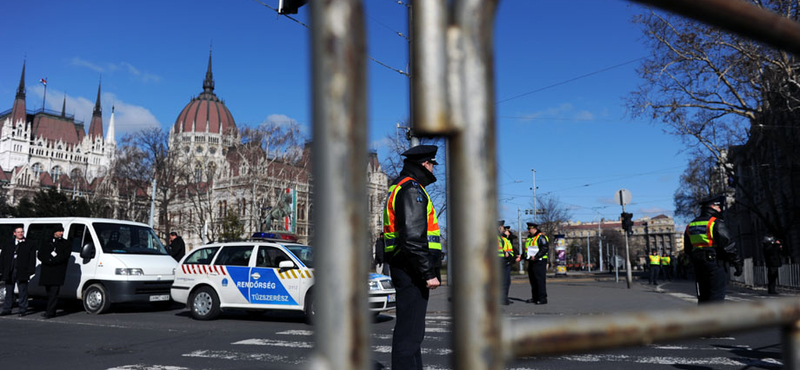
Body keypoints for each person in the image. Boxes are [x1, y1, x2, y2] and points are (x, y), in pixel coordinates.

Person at [383, 144, 441, 370]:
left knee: (413, 332)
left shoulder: (400, 187)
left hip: (405, 266)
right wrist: (428, 273)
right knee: (410, 333)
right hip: (411, 269)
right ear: (424, 164)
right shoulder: (411, 190)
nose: (434, 170)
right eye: (432, 165)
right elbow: (413, 237)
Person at [684, 195, 742, 304]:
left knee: (703, 298)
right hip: (716, 264)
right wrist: (737, 263)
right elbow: (728, 246)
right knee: (716, 297)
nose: (720, 209)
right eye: (718, 207)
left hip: (699, 265)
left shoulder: (690, 225)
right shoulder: (715, 223)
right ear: (712, 207)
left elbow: (688, 249)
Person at [0, 227, 36, 316]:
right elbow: (2, 257)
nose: (20, 233)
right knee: (9, 290)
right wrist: (2, 269)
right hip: (9, 270)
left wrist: (31, 270)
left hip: (22, 270)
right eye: (18, 232)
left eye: (22, 232)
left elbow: (32, 258)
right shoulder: (8, 243)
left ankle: (22, 309)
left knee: (23, 290)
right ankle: (7, 308)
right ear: (14, 233)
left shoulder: (29, 244)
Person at [38, 226, 71, 318]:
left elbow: (65, 255)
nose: (61, 233)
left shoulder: (66, 243)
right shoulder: (46, 242)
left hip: (58, 271)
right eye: (59, 231)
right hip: (47, 270)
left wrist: (54, 260)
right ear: (54, 232)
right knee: (48, 291)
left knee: (54, 292)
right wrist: (48, 260)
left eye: (62, 231)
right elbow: (40, 254)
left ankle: (50, 311)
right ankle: (50, 309)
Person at [524, 222, 549, 305]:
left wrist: (537, 256)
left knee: (540, 280)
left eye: (529, 229)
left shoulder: (541, 237)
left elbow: (545, 248)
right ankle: (535, 297)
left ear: (534, 229)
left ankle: (542, 298)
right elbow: (527, 250)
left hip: (540, 261)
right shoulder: (530, 238)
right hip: (532, 261)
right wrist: (521, 256)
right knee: (533, 280)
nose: (528, 231)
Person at [497, 221, 517, 305]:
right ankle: (502, 299)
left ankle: (504, 298)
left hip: (505, 261)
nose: (504, 229)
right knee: (503, 282)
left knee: (506, 282)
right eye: (502, 227)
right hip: (501, 262)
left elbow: (510, 249)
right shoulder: (498, 237)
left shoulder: (504, 238)